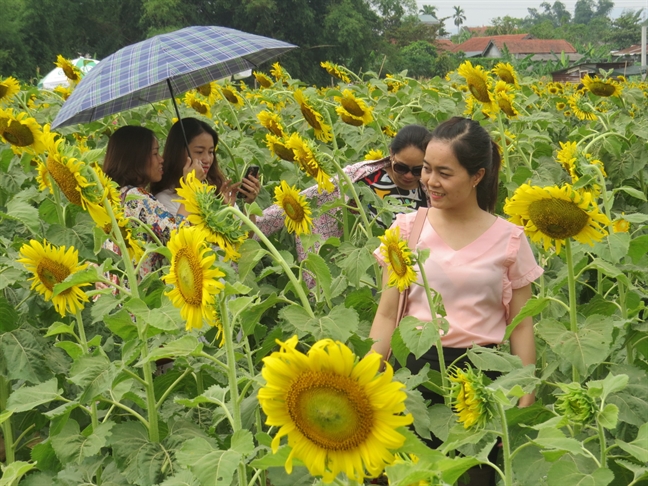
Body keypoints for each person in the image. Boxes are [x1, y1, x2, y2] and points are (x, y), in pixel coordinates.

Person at [369, 117, 542, 484]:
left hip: (481, 381)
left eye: (444, 173)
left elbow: (522, 322)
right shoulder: (406, 229)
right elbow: (387, 314)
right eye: (426, 170)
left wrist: (526, 390)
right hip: (413, 376)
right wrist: (368, 373)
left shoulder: (509, 239)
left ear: (477, 176)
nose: (430, 181)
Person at [256, 124, 431, 261]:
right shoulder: (361, 177)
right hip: (359, 270)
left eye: (417, 170)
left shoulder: (431, 192)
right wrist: (252, 225)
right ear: (391, 154)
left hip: (409, 275)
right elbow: (308, 199)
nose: (409, 176)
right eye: (401, 167)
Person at [103, 125, 201, 277]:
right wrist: (191, 185)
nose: (161, 160)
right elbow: (179, 235)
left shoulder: (114, 196)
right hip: (140, 294)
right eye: (155, 153)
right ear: (137, 158)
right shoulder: (135, 197)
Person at [151, 117, 261, 214]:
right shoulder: (164, 199)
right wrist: (192, 186)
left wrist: (248, 205)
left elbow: (245, 236)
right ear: (178, 152)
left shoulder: (216, 188)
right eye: (199, 152)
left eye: (211, 152)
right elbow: (181, 233)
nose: (207, 159)